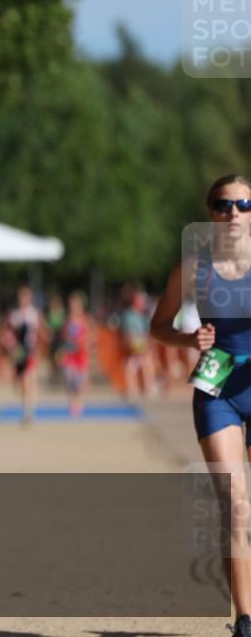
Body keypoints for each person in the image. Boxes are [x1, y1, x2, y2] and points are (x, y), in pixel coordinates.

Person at [150, 174, 251, 636]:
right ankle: (245, 620)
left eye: (244, 204)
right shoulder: (194, 268)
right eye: (224, 205)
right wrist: (190, 339)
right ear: (210, 212)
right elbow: (158, 326)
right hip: (218, 384)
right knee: (235, 505)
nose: (234, 213)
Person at [3, 286, 41, 426]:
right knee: (20, 383)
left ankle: (29, 412)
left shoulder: (33, 314)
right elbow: (9, 334)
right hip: (19, 353)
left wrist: (35, 349)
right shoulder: (15, 315)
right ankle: (26, 407)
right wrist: (10, 346)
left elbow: (36, 333)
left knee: (29, 380)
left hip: (29, 351)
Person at [121, 289, 157, 400]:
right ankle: (142, 387)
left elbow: (147, 334)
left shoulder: (143, 316)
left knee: (148, 358)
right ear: (135, 301)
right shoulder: (129, 315)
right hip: (132, 343)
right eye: (142, 301)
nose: (144, 303)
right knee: (144, 357)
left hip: (141, 343)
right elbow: (128, 335)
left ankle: (148, 386)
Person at [60, 291, 90, 418]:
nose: (74, 307)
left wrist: (82, 341)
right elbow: (64, 334)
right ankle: (72, 402)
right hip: (70, 354)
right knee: (68, 377)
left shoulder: (84, 319)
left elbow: (88, 334)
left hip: (81, 354)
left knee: (79, 382)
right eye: (72, 304)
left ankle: (78, 403)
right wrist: (67, 341)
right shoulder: (67, 320)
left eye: (76, 304)